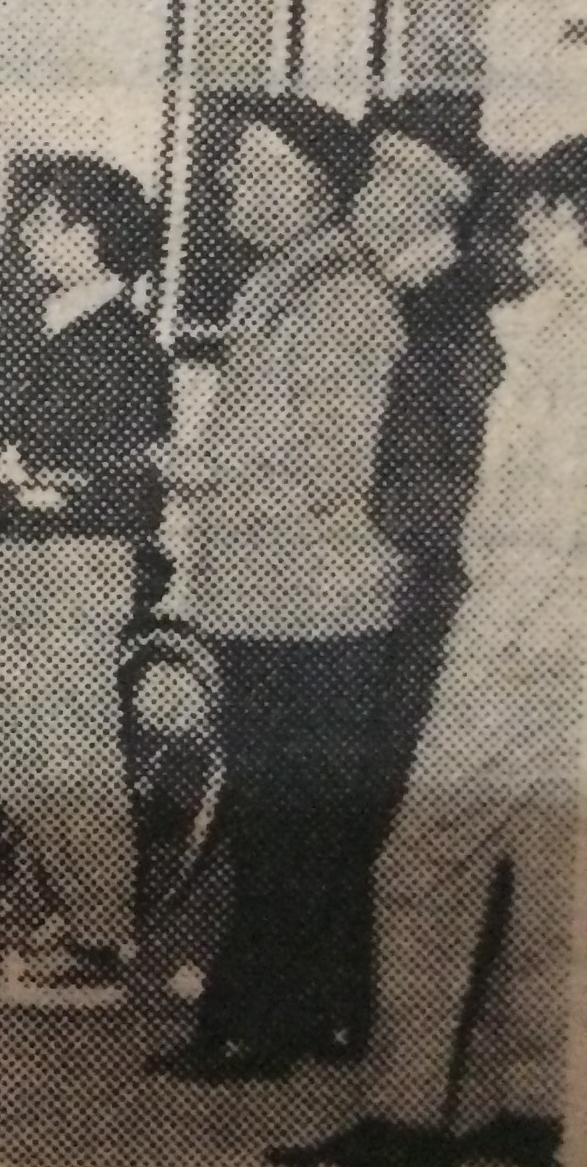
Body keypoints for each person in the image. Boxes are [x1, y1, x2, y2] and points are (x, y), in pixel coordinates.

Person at [271, 141, 587, 1167]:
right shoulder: (547, 336)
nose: (528, 236)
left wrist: (483, 645)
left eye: (542, 217)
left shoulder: (566, 351)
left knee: (419, 870)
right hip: (561, 653)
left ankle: (401, 1120)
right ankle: (539, 1112)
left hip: (522, 647)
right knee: (552, 882)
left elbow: (529, 531)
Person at [153, 96, 406, 1084]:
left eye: (252, 166)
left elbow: (331, 470)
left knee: (280, 824)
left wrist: (208, 473)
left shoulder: (337, 297)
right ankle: (334, 1013)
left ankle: (252, 1029)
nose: (228, 182)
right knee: (307, 821)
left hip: (315, 603)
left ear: (313, 183)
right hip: (287, 598)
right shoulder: (289, 282)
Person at [0, 156, 171, 1012]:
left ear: (92, 236)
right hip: (27, 550)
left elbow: (119, 478)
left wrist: (14, 477)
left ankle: (102, 933)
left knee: (73, 742)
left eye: (45, 219)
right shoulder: (44, 328)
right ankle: (85, 903)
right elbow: (9, 448)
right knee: (7, 737)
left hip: (82, 558)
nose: (30, 233)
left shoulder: (123, 343)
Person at [348, 104, 505, 853]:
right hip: (396, 581)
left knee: (398, 807)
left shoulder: (451, 314)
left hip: (424, 595)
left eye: (379, 175)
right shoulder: (402, 299)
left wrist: (376, 523)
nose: (359, 193)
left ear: (425, 194)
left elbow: (457, 480)